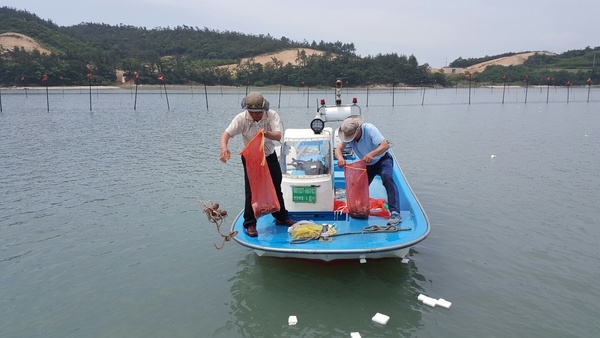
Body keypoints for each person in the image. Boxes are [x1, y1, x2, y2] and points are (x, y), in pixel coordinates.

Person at [219, 92, 295, 237]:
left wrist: (265, 133)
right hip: (251, 158)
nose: (256, 115)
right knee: (251, 190)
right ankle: (250, 223)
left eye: (258, 112)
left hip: (269, 155)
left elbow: (278, 135)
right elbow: (226, 134)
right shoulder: (241, 118)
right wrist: (224, 148)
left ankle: (281, 217)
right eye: (252, 112)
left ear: (264, 109)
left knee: (276, 185)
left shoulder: (271, 115)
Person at [334, 115, 402, 225]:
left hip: (382, 159)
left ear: (358, 130)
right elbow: (338, 149)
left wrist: (372, 154)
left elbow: (385, 145)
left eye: (352, 136)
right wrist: (340, 158)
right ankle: (359, 209)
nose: (351, 139)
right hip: (366, 164)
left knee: (387, 177)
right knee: (358, 185)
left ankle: (395, 212)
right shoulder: (349, 138)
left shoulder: (370, 129)